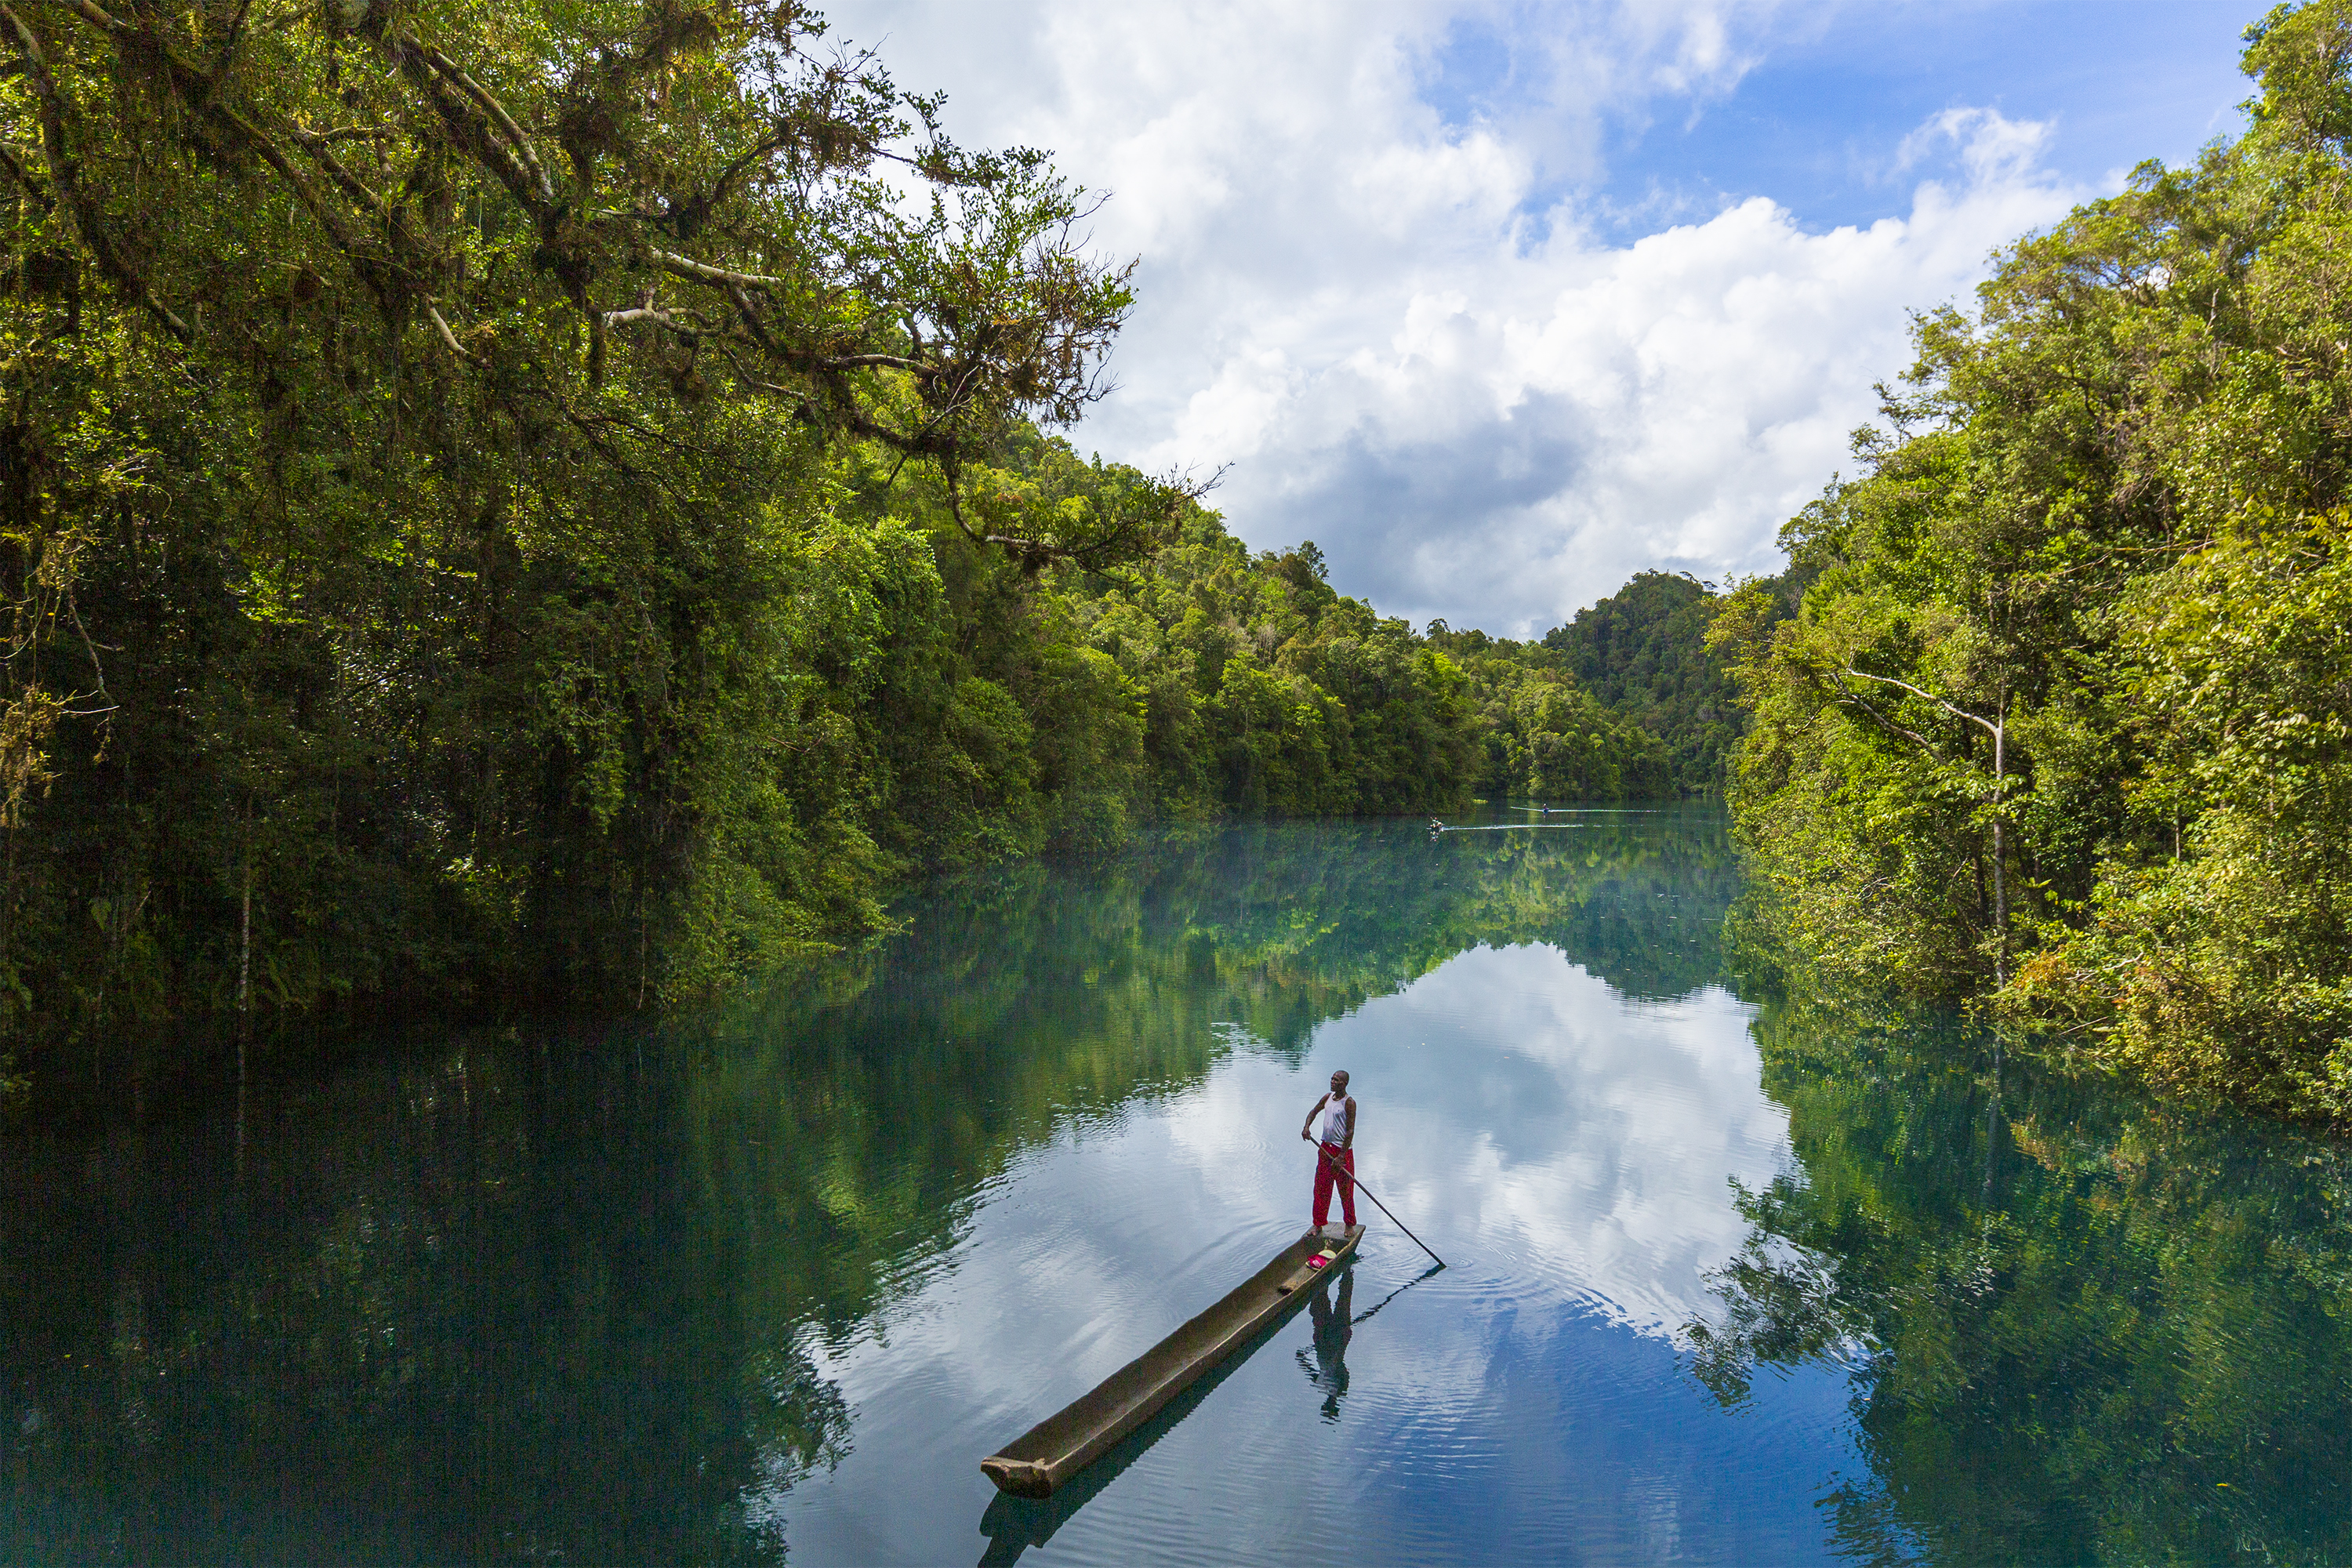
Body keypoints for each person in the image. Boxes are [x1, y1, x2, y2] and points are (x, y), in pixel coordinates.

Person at [1300, 1069, 1356, 1233]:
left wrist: (1341, 1157)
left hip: (1342, 1151)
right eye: (1332, 1079)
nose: (1332, 1082)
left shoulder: (1349, 1103)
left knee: (1346, 1190)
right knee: (1321, 1188)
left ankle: (1349, 1224)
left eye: (1337, 1080)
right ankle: (1318, 1224)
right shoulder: (1327, 1098)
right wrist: (1306, 1127)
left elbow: (1350, 1131)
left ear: (1344, 1084)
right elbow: (1313, 1112)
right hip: (1325, 1149)